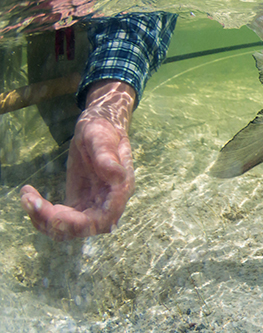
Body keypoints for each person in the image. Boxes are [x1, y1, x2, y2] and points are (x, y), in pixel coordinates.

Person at [20, 12, 177, 240]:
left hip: (68, 24)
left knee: (71, 140)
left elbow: (138, 5)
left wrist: (108, 110)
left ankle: (79, 144)